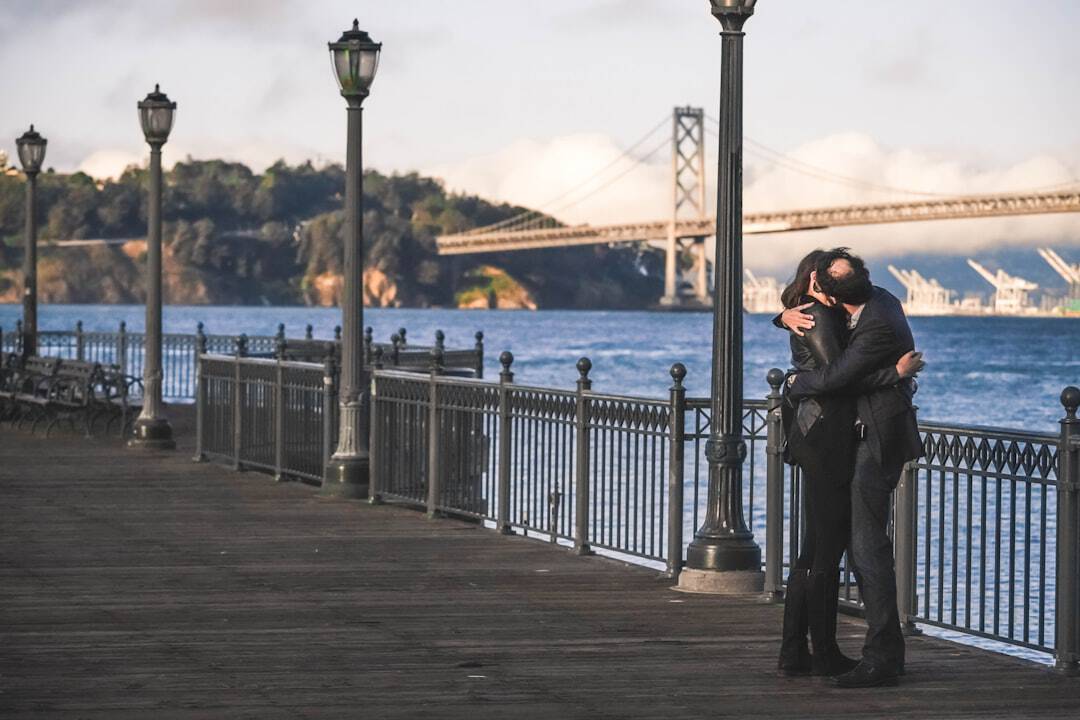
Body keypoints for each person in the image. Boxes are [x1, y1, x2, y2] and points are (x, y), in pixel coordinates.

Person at [774, 250, 923, 679]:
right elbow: (838, 377)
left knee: (836, 546)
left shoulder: (866, 316)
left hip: (848, 437)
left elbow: (839, 377)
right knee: (832, 548)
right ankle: (818, 653)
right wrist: (894, 373)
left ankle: (811, 652)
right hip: (828, 439)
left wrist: (795, 378)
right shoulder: (831, 313)